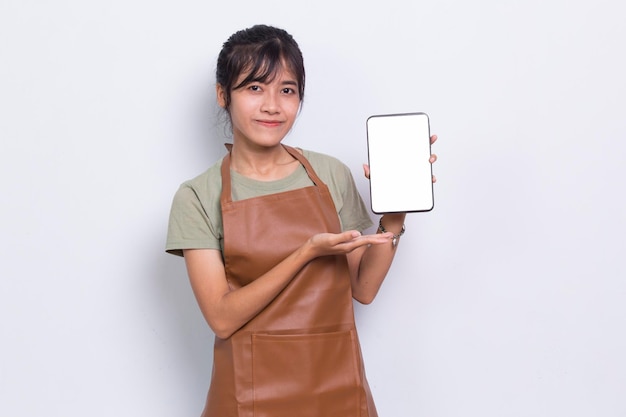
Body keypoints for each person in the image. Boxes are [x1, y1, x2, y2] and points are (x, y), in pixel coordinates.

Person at [166, 24, 438, 417]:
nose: (272, 105)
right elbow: (222, 319)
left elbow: (362, 288)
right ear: (223, 94)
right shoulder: (197, 196)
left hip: (338, 389)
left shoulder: (328, 174)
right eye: (254, 88)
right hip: (247, 397)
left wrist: (394, 217)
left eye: (287, 90)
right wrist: (306, 252)